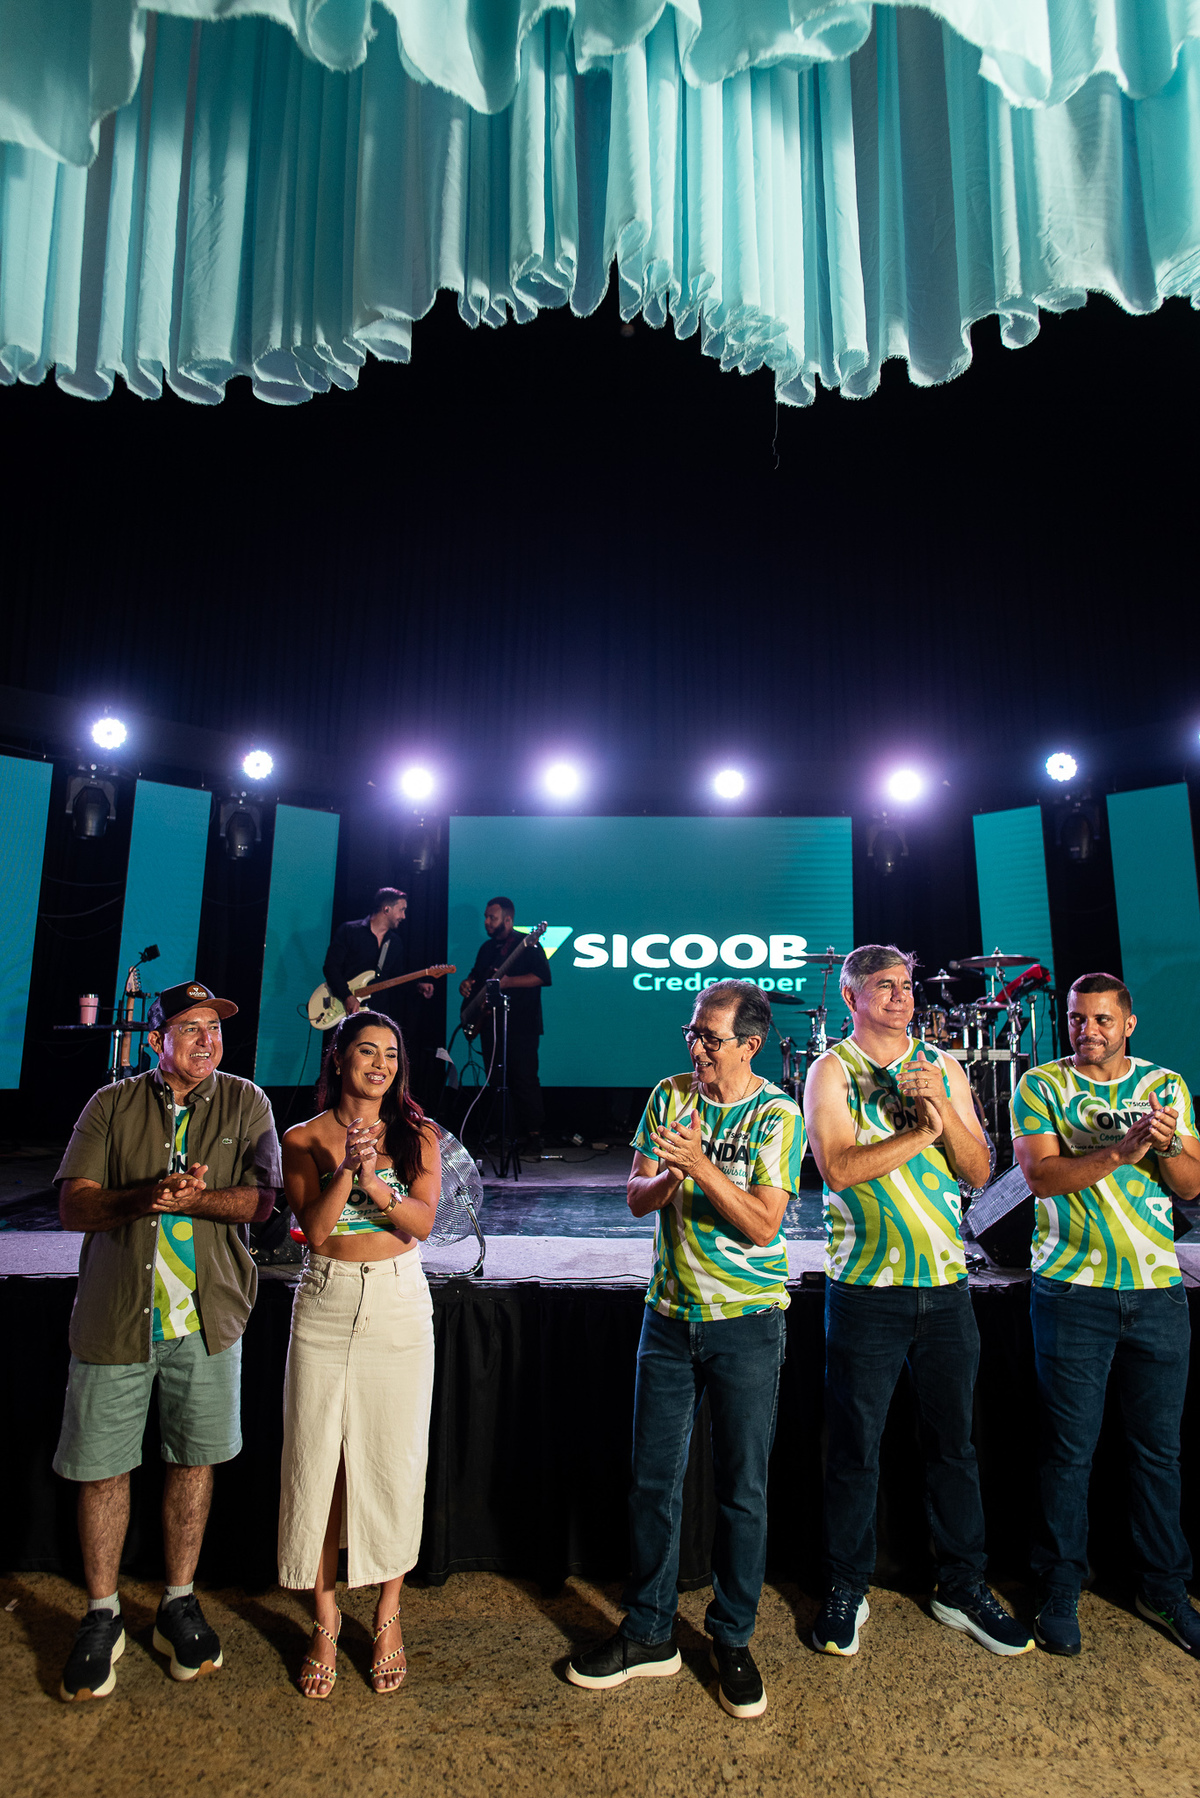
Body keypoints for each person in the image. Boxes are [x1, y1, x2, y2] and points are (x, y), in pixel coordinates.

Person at [566, 981, 806, 1720]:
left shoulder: (778, 1114)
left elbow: (763, 1226)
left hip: (746, 1322)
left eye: (710, 1037)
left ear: (750, 1045)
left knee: (743, 1490)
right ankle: (648, 1633)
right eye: (692, 1032)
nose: (695, 1046)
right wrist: (671, 1171)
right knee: (652, 1483)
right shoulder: (669, 1096)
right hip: (668, 1319)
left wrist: (702, 1166)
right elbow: (635, 1196)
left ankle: (731, 1638)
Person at [52, 981, 280, 1702]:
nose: (208, 1040)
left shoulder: (247, 1102)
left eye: (215, 1027)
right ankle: (102, 1614)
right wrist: (147, 1195)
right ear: (157, 1041)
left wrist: (196, 1199)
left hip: (206, 1323)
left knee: (193, 1463)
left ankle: (178, 1601)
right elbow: (74, 1205)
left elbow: (262, 1202)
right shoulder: (110, 1104)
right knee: (102, 1470)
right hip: (116, 1319)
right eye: (190, 1028)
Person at [803, 945, 1032, 1659]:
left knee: (954, 1447)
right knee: (855, 1448)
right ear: (852, 997)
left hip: (944, 1288)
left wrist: (941, 1112)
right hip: (866, 1291)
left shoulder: (944, 1066)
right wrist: (920, 1132)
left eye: (905, 985)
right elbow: (839, 1169)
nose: (902, 996)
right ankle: (847, 1586)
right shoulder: (831, 1071)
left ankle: (961, 1585)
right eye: (884, 985)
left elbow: (979, 1169)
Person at [1012, 972, 1200, 1656]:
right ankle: (1060, 1586)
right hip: (1072, 1291)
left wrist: (1169, 1143)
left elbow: (1191, 1185)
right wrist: (1122, 1149)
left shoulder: (1165, 1086)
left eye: (1100, 1019)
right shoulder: (1041, 1085)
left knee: (1159, 1452)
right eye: (1075, 1018)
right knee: (1068, 1452)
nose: (1086, 1030)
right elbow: (1041, 1178)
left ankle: (1164, 1588)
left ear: (1129, 1024)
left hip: (1157, 1292)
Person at [278, 1010, 440, 1699]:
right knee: (317, 1464)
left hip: (399, 1302)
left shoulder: (418, 1134)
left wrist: (377, 1181)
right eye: (367, 1051)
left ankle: (387, 1615)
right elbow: (315, 1232)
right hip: (326, 1300)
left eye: (391, 1055)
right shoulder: (301, 1138)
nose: (380, 1065)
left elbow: (421, 1223)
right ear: (339, 1057)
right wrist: (347, 1169)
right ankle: (324, 1619)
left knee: (392, 1461)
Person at [458, 896, 551, 1155]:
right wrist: (466, 983)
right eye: (486, 917)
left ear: (508, 919)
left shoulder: (528, 944)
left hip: (522, 1025)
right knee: (495, 1080)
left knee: (524, 1078)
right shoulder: (487, 948)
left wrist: (509, 982)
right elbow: (477, 977)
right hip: (490, 1024)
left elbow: (542, 977)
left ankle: (533, 1136)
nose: (487, 922)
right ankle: (504, 1134)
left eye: (493, 917)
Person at [323, 888, 434, 1022]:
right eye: (401, 910)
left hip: (377, 1013)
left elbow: (396, 978)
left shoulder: (394, 942)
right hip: (343, 1009)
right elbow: (331, 967)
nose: (404, 916)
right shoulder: (349, 931)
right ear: (386, 909)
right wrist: (347, 996)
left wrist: (418, 986)